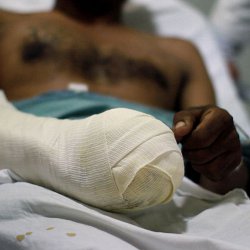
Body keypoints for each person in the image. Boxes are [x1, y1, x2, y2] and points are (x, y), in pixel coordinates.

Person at [0, 0, 249, 196]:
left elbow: (219, 179)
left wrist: (222, 154)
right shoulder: (6, 23)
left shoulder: (181, 53)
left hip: (159, 193)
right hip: (29, 175)